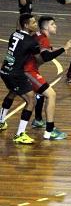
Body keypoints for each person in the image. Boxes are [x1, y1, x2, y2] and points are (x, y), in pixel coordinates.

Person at [18, 16, 71, 140]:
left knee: (41, 93)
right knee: (51, 94)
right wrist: (64, 48)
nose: (55, 26)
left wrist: (61, 48)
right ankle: (50, 131)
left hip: (26, 69)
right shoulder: (43, 38)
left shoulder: (38, 35)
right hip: (28, 71)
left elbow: (47, 50)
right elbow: (46, 57)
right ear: (46, 27)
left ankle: (38, 120)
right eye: (53, 24)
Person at [0, 15, 41, 144]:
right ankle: (20, 134)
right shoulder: (31, 42)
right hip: (15, 74)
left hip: (4, 70)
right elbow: (40, 59)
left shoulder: (14, 34)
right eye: (33, 22)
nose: (36, 24)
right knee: (31, 100)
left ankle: (1, 122)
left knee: (12, 92)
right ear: (26, 25)